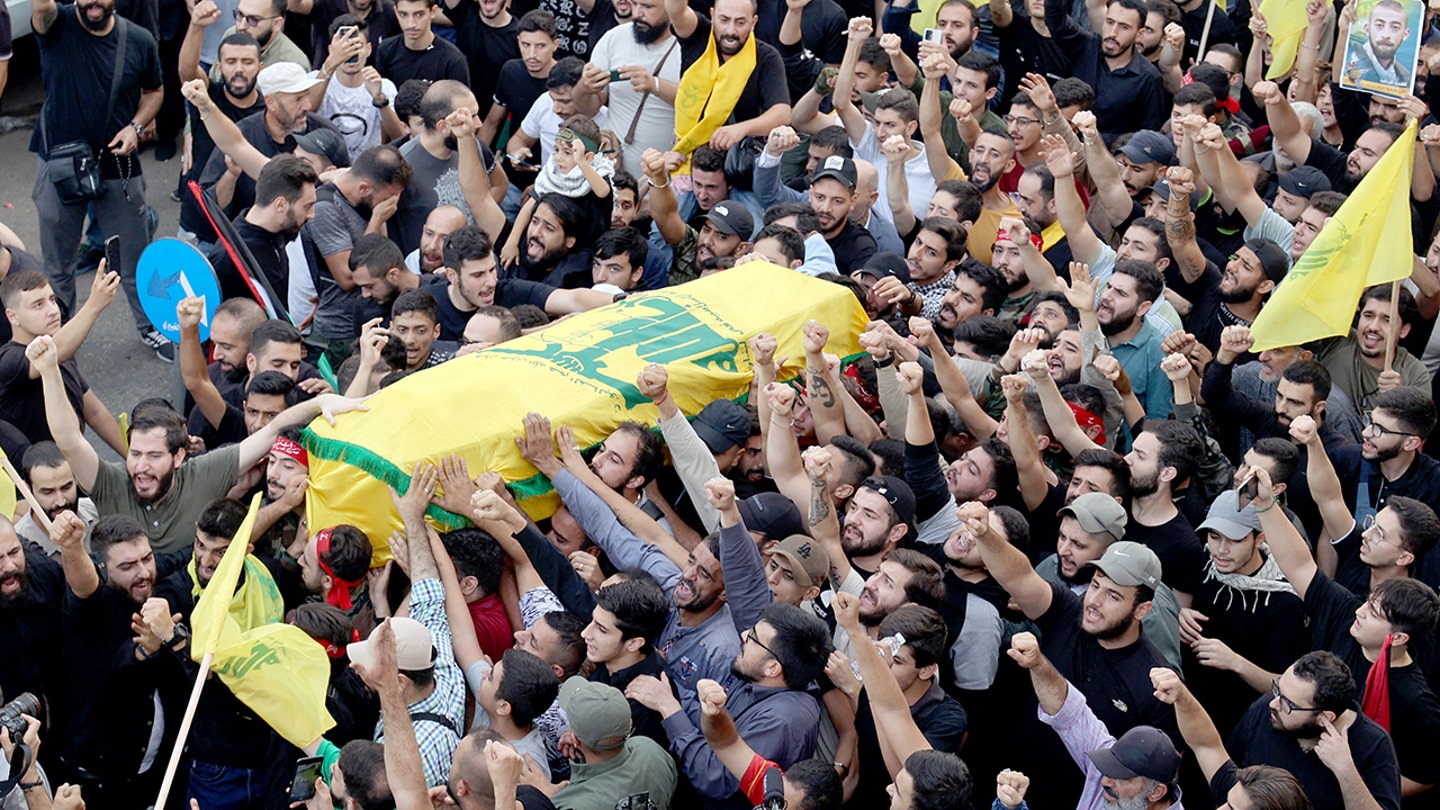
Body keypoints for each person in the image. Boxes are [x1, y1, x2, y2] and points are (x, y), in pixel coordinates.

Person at [31, 332, 364, 553]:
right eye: (135, 454)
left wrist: (321, 403)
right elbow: (68, 439)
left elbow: (270, 431)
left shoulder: (203, 472)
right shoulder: (111, 482)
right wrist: (49, 370)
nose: (140, 466)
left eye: (154, 456)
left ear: (179, 457)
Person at [29, 0, 168, 358]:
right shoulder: (55, 24)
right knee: (58, 265)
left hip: (118, 164)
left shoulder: (138, 39)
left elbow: (154, 91)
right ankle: (59, 339)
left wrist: (136, 126)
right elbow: (41, 8)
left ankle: (151, 327)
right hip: (60, 165)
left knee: (135, 258)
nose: (94, 2)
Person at [626, 601, 831, 809]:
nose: (743, 635)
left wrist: (670, 709)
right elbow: (709, 718)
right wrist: (665, 686)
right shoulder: (760, 679)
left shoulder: (781, 721)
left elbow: (715, 778)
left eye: (753, 638)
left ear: (772, 668)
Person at [1008, 632, 1183, 810]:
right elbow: (1067, 712)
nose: (1105, 781)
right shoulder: (1108, 764)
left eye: (1122, 777)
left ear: (1156, 792)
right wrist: (1038, 664)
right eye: (1110, 768)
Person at [0, 269, 125, 453]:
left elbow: (95, 413)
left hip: (75, 464)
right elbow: (49, 355)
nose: (53, 311)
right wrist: (94, 304)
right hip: (36, 470)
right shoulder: (8, 360)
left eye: (52, 300)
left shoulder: (62, 350)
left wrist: (133, 458)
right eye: (38, 305)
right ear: (12, 316)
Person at [549, 678, 678, 810]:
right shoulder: (650, 750)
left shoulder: (570, 804)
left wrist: (544, 800)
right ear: (630, 723)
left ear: (575, 739)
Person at [1344, 0, 1413, 87]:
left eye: (1395, 27)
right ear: (1367, 29)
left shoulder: (1405, 77)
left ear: (1405, 34)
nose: (1386, 35)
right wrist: (1343, 31)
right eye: (1379, 25)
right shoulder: (1350, 58)